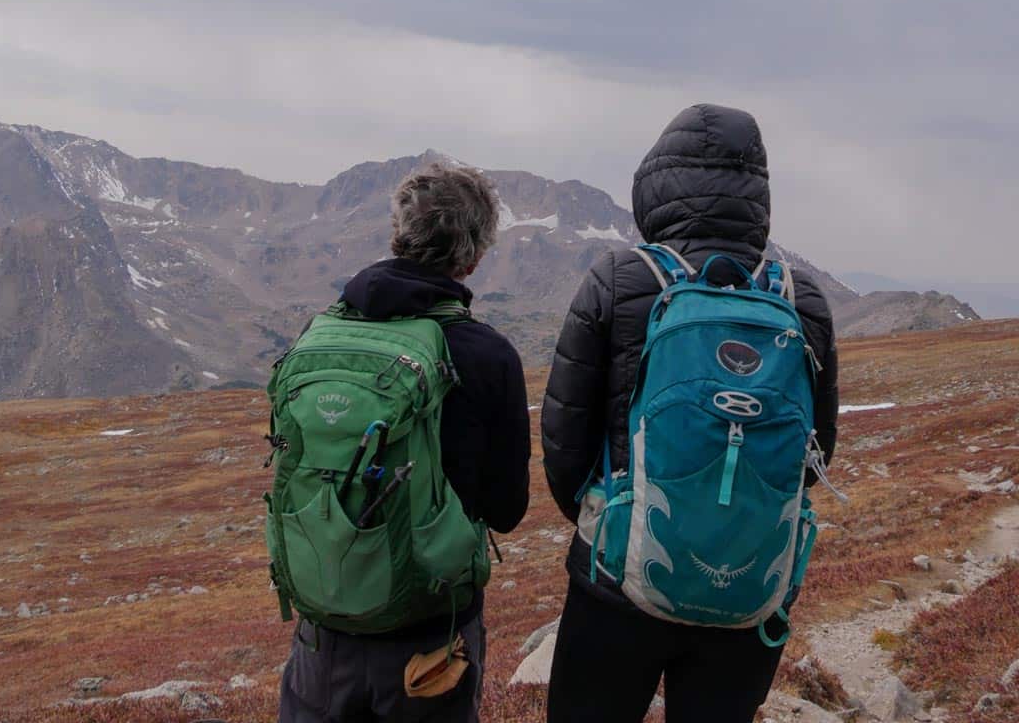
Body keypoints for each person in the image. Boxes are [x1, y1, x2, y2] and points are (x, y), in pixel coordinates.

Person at [540, 104, 839, 723]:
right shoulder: (799, 296)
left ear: (655, 185)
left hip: (617, 579)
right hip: (751, 579)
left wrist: (615, 519)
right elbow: (816, 451)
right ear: (759, 192)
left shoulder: (619, 279)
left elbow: (564, 439)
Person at [278, 162, 531, 723]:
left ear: (397, 233)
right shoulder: (487, 356)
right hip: (428, 638)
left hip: (323, 631)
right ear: (474, 254)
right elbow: (508, 510)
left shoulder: (320, 335)